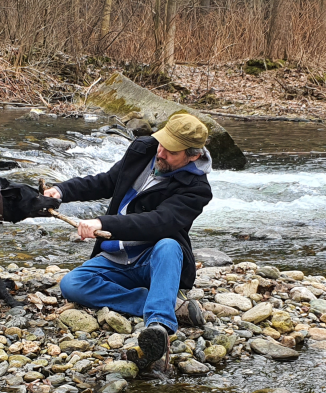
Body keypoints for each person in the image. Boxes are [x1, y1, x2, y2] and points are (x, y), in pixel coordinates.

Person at [44, 111, 213, 371]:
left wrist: (104, 223)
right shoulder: (144, 150)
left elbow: (158, 222)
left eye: (171, 152)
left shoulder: (197, 189)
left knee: (169, 244)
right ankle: (166, 304)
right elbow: (108, 182)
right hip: (115, 258)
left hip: (154, 260)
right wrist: (63, 190)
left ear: (193, 155)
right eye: (162, 144)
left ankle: (158, 325)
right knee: (72, 284)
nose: (161, 153)